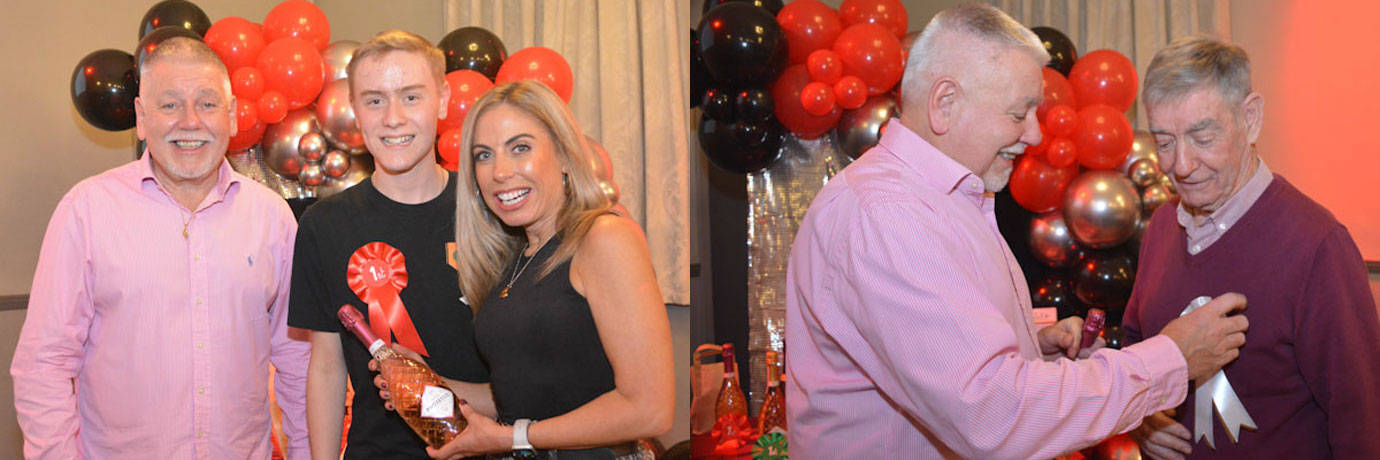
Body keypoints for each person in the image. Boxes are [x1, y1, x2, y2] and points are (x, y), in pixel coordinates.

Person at [783, 4, 1252, 459]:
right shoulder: (886, 215)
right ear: (945, 103)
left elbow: (949, 370)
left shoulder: (950, 200)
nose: (1034, 134)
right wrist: (1173, 359)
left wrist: (1029, 350)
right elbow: (994, 415)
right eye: (1019, 112)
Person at [10, 37, 309, 458]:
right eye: (169, 105)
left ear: (233, 115)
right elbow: (44, 365)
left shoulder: (272, 218)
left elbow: (298, 362)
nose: (190, 122)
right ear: (141, 117)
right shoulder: (87, 211)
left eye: (207, 104)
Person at [377, 80, 673, 460]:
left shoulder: (603, 237)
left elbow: (650, 410)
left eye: (520, 148)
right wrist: (429, 383)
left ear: (565, 156)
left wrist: (509, 438)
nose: (500, 172)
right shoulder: (515, 259)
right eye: (484, 155)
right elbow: (523, 398)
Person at [1125, 35, 1380, 460]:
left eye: (1202, 138)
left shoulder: (1319, 247)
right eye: (1164, 142)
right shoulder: (1163, 226)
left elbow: (1362, 424)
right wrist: (1141, 416)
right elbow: (1138, 344)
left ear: (1251, 118)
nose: (1181, 166)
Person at [287, 30, 490, 459]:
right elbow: (326, 367)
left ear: (443, 99)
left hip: (492, 449)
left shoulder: (491, 211)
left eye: (411, 97)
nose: (393, 117)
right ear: (356, 111)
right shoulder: (324, 224)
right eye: (375, 100)